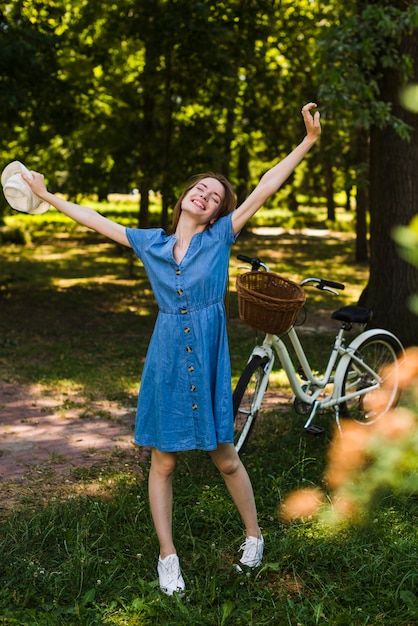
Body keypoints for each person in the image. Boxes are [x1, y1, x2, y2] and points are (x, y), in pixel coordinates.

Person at [22, 102, 321, 596]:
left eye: (214, 196)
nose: (205, 195)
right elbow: (92, 218)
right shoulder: (151, 244)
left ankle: (254, 536)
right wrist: (46, 194)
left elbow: (266, 183)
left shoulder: (222, 238)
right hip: (165, 356)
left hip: (204, 355)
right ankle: (168, 556)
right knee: (163, 461)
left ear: (219, 212)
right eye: (199, 188)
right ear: (185, 197)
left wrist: (307, 142)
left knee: (225, 456)